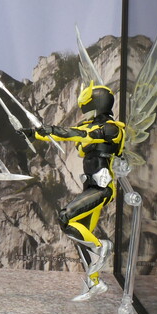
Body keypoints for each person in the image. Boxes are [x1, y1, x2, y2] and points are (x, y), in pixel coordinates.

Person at [24, 81, 125, 301]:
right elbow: (76, 134)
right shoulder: (93, 127)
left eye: (88, 106)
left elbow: (76, 133)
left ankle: (101, 247)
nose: (85, 111)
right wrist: (35, 133)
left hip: (102, 188)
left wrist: (48, 130)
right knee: (81, 234)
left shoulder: (112, 129)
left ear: (97, 104)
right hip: (92, 186)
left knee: (66, 218)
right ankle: (94, 283)